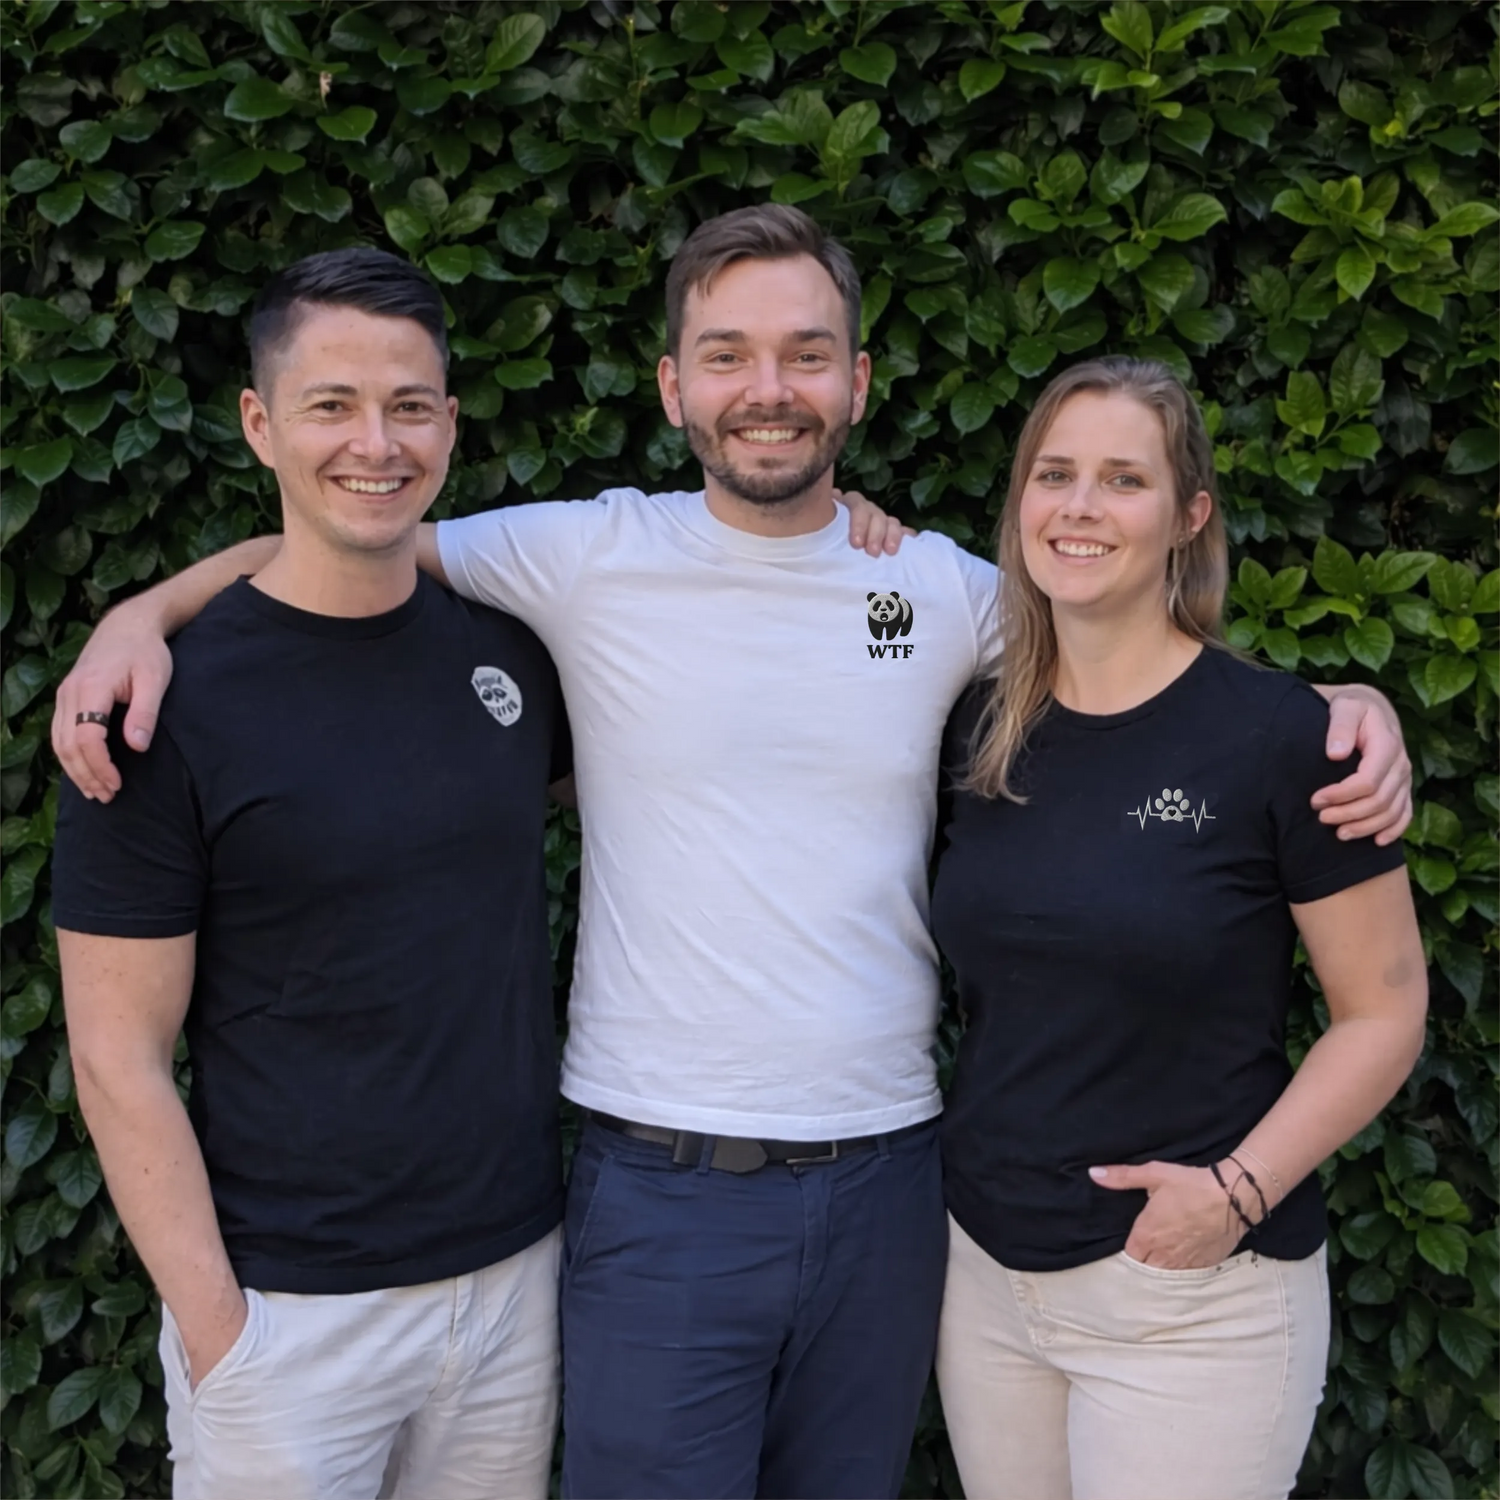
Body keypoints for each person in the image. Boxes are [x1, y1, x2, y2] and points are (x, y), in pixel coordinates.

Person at [52, 208, 1413, 1500]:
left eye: (806, 354)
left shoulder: (928, 591)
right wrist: (139, 617)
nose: (769, 389)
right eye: (727, 356)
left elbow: (1133, 656)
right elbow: (349, 530)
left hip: (892, 1182)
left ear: (857, 384)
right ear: (673, 389)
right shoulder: (579, 555)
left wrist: (1332, 707)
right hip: (660, 1185)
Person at [51, 248, 577, 1500]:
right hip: (289, 1317)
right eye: (331, 405)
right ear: (259, 423)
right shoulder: (160, 707)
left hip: (512, 1284)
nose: (375, 444)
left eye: (408, 406)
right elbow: (116, 1055)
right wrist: (219, 1334)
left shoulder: (517, 656)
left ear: (451, 422)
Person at [929, 357, 1427, 1500]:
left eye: (1124, 479)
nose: (1081, 507)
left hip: (1193, 1297)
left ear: (1188, 515)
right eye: (1054, 474)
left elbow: (1386, 1010)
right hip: (989, 1278)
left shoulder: (1286, 741)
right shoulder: (978, 731)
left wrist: (1236, 1193)